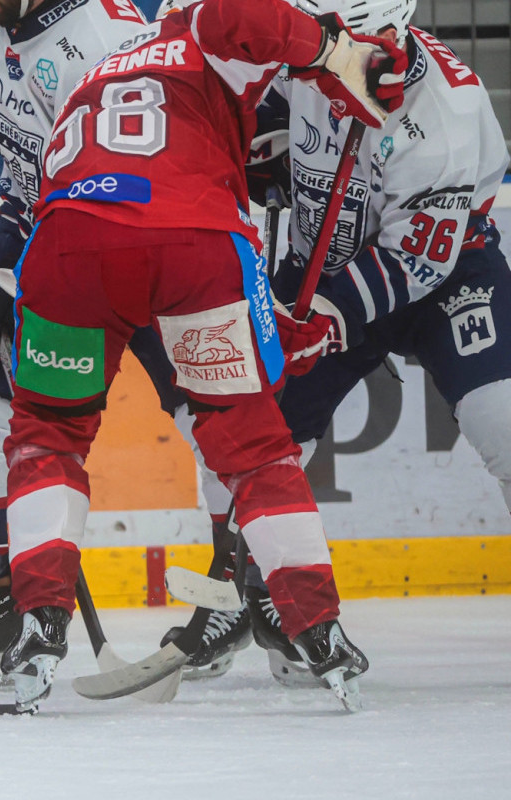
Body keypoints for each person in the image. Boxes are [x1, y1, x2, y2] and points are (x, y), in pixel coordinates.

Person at [0, 0, 403, 706]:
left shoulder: (97, 69)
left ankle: (38, 624)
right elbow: (235, 19)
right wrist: (334, 50)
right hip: (190, 240)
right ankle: (318, 628)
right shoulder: (199, 34)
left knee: (47, 436)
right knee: (253, 443)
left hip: (67, 245)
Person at [0, 0, 240, 657]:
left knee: (213, 414)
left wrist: (20, 288)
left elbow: (120, 193)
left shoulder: (106, 38)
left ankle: (245, 588)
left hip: (139, 226)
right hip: (35, 214)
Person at [255, 0, 510, 680]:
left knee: (505, 417)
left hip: (445, 271)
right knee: (256, 434)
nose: (320, 53)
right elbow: (248, 100)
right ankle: (267, 598)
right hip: (318, 258)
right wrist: (259, 144)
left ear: (390, 33)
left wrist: (326, 316)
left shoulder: (448, 107)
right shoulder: (302, 45)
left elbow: (418, 259)